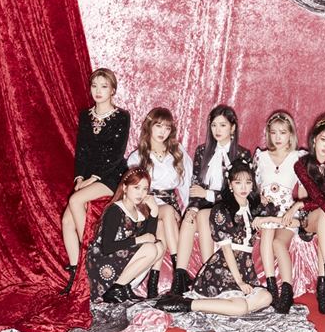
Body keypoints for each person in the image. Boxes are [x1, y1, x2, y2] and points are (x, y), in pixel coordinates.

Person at [155, 160, 279, 316]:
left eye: (248, 183)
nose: (243, 188)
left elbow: (278, 215)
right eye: (238, 183)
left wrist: (267, 215)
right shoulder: (222, 210)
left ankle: (226, 306)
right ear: (230, 184)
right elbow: (227, 251)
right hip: (223, 269)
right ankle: (187, 304)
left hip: (245, 269)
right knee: (241, 308)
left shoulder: (253, 208)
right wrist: (239, 281)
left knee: (266, 297)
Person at [60, 68, 130, 294]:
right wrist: (80, 177)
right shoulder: (85, 116)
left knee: (76, 200)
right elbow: (81, 152)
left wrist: (92, 179)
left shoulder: (122, 117)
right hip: (89, 176)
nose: (98, 91)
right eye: (94, 86)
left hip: (111, 176)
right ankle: (76, 274)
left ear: (113, 90)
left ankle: (93, 255)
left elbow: (116, 155)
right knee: (66, 221)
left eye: (104, 86)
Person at [171, 105, 252, 295]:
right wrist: (192, 207)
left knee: (204, 215)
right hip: (205, 203)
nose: (217, 130)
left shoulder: (242, 154)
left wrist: (206, 195)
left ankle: (208, 273)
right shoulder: (202, 151)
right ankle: (180, 276)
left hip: (230, 206)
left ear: (232, 127)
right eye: (214, 125)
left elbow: (239, 192)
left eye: (223, 125)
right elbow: (196, 184)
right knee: (189, 220)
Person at [284, 116, 325, 314]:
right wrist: (304, 206)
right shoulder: (301, 165)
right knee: (323, 215)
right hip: (311, 216)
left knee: (324, 218)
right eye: (323, 139)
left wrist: (300, 204)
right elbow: (316, 196)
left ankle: (323, 286)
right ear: (314, 139)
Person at [128, 107, 192, 298]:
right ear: (149, 127)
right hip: (145, 205)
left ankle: (153, 284)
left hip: (170, 206)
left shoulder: (177, 152)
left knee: (164, 222)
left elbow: (185, 185)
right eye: (158, 126)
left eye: (167, 127)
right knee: (166, 212)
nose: (163, 131)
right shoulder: (137, 156)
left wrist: (186, 210)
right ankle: (179, 272)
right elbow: (133, 191)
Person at [86, 167, 165, 302]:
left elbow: (150, 238)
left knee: (159, 246)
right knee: (151, 248)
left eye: (145, 189)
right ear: (125, 187)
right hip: (102, 261)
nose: (141, 193)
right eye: (136, 188)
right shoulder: (115, 210)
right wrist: (139, 239)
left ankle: (122, 286)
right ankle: (114, 290)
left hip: (120, 258)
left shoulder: (139, 211)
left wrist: (154, 212)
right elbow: (107, 247)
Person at [253, 112, 304, 313]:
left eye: (282, 132)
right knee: (267, 229)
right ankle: (271, 284)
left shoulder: (298, 157)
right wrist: (259, 198)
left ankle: (287, 291)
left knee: (277, 243)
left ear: (290, 134)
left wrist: (295, 209)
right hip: (266, 211)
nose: (278, 137)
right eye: (273, 132)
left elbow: (304, 195)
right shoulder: (261, 157)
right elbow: (254, 187)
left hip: (287, 212)